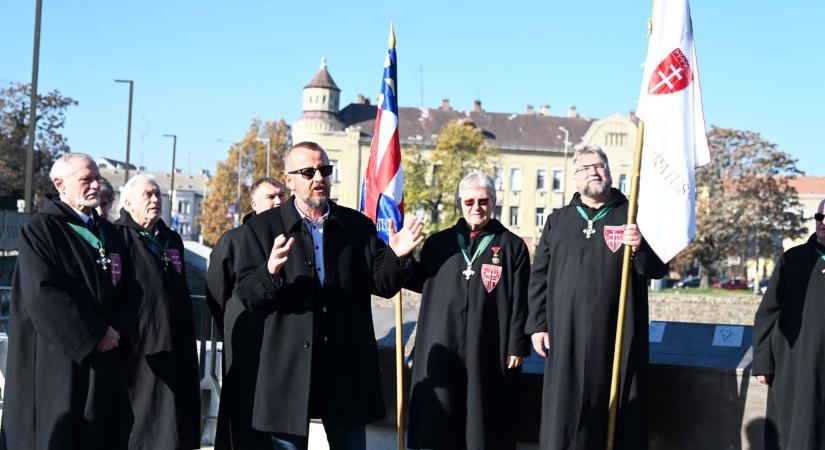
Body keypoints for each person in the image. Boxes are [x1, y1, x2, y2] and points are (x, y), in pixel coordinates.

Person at [233, 141, 423, 450]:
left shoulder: (357, 226)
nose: (318, 178)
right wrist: (269, 273)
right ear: (290, 180)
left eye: (324, 170)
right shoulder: (262, 229)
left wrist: (398, 257)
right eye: (308, 172)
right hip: (289, 370)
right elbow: (246, 296)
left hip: (345, 368)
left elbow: (383, 284)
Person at [526, 146, 667, 450]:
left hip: (617, 332)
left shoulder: (633, 215)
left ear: (610, 171)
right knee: (565, 411)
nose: (594, 172)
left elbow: (658, 268)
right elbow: (539, 277)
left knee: (617, 408)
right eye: (586, 167)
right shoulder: (557, 220)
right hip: (566, 333)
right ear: (575, 177)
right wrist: (538, 325)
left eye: (600, 165)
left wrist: (641, 246)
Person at [0, 153, 135, 450]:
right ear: (59, 184)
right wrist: (95, 333)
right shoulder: (41, 230)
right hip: (62, 360)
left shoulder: (109, 234)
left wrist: (116, 330)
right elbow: (43, 292)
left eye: (97, 178)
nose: (95, 185)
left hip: (106, 360)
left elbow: (130, 291)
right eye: (86, 179)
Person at [405, 171, 530, 450]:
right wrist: (401, 257)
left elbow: (522, 299)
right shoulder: (439, 243)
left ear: (494, 202)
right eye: (470, 201)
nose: (477, 207)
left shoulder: (512, 245)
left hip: (489, 344)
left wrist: (517, 343)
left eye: (483, 201)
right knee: (441, 426)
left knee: (483, 422)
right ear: (460, 203)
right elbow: (417, 280)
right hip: (444, 338)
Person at [115, 174, 201, 450]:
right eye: (148, 195)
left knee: (177, 418)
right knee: (146, 421)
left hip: (177, 342)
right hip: (141, 347)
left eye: (158, 195)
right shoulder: (118, 237)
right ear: (128, 202)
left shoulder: (170, 238)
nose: (155, 200)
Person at [207, 177, 287, 450]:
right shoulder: (234, 240)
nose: (278, 201)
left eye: (281, 195)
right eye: (270, 196)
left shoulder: (295, 236)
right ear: (253, 204)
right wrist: (232, 325)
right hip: (244, 341)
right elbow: (216, 292)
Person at [753, 199, 825, 449]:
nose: (823, 223)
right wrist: (763, 362)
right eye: (819, 217)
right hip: (795, 364)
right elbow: (767, 314)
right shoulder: (792, 259)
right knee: (796, 432)